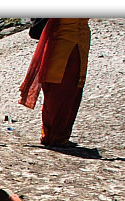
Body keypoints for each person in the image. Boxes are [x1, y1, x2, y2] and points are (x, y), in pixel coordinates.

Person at [19, 18, 91, 147]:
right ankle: (54, 135)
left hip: (77, 43)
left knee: (72, 88)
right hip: (62, 44)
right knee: (60, 88)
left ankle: (59, 134)